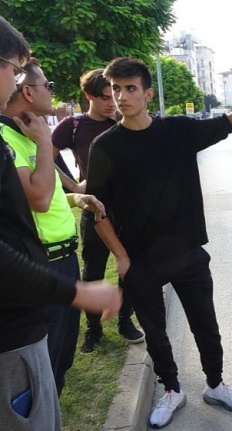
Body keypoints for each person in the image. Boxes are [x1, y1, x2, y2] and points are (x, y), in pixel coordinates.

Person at [86, 57, 232, 429]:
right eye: (116, 89)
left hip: (187, 252)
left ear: (147, 93)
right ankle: (172, 389)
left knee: (205, 324)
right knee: (156, 333)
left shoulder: (177, 131)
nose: (122, 96)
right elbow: (96, 210)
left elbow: (224, 124)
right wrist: (121, 257)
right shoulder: (105, 146)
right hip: (140, 259)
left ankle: (215, 384)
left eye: (130, 88)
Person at [0, 16, 122, 431]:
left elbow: (37, 197)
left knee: (55, 369)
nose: (51, 91)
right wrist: (43, 142)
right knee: (35, 382)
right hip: (38, 273)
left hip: (56, 263)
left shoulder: (27, 133)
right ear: (28, 89)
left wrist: (74, 196)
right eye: (44, 83)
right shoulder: (14, 139)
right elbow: (35, 197)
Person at [52, 69, 144, 353]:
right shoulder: (73, 125)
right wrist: (72, 185)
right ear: (89, 96)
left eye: (115, 94)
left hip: (128, 211)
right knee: (93, 269)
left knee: (128, 266)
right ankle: (93, 329)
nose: (113, 101)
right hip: (94, 209)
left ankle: (125, 321)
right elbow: (42, 155)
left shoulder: (126, 121)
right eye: (106, 97)